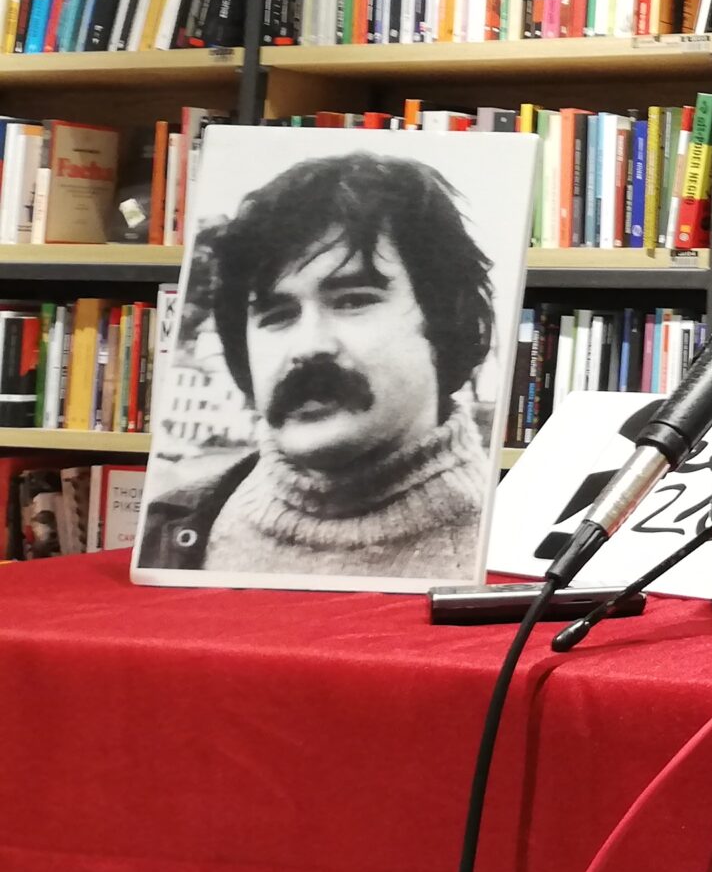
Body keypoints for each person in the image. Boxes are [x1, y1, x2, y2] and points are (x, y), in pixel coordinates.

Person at [136, 152, 498, 580]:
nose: (308, 346)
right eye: (277, 315)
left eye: (354, 300)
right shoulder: (172, 527)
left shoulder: (508, 556)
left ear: (444, 323)